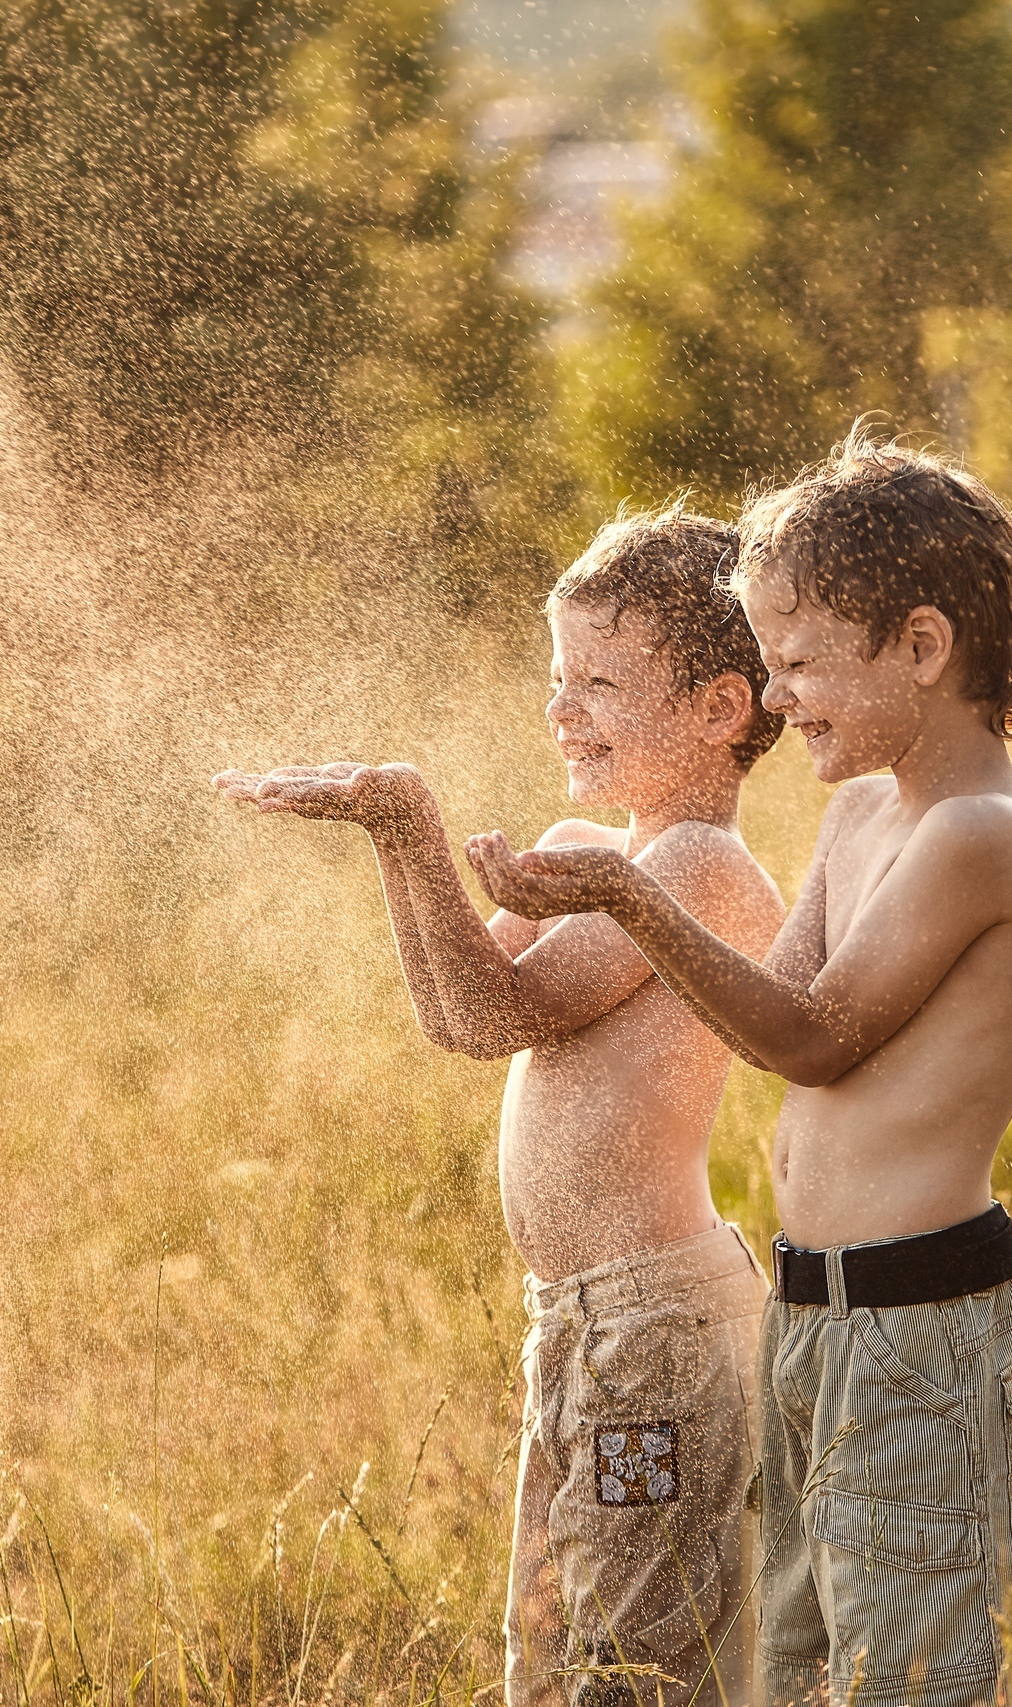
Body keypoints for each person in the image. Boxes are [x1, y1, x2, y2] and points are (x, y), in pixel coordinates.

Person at [465, 432, 1012, 1707]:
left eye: (797, 662)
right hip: (810, 1313)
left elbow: (812, 1037)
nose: (779, 697)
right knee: (795, 1667)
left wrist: (633, 897)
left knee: (918, 1673)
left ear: (920, 647)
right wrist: (613, 896)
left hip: (922, 1326)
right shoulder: (860, 814)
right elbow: (764, 1014)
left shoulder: (983, 836)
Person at [213, 504, 788, 1707]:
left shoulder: (696, 870)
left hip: (658, 1337)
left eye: (600, 682)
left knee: (639, 1656)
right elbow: (459, 1016)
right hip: (574, 1325)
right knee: (550, 1644)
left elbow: (506, 1010)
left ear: (720, 708)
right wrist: (392, 843)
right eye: (556, 678)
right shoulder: (584, 850)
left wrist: (412, 822)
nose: (561, 709)